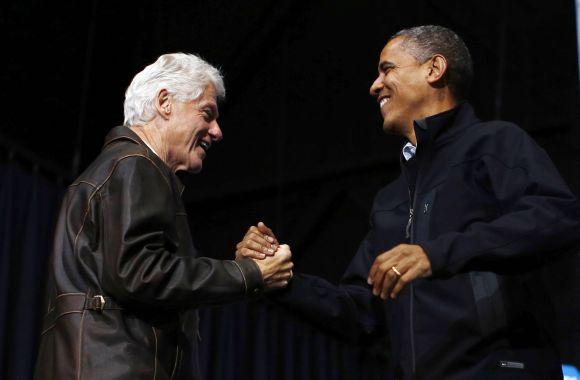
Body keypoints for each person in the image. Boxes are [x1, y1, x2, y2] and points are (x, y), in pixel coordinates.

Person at [239, 25, 580, 379]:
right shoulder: (391, 199)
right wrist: (279, 279)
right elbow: (361, 312)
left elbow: (559, 217)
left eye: (388, 69)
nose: (374, 85)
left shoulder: (495, 144)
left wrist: (436, 254)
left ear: (434, 69)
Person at [34, 53, 293, 380]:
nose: (217, 131)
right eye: (207, 114)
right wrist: (248, 274)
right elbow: (140, 273)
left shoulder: (112, 167)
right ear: (164, 102)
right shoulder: (135, 164)